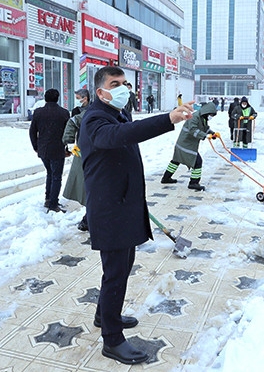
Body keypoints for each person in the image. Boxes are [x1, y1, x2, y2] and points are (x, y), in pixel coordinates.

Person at [79, 66, 194, 365]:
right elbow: (122, 135)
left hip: (123, 204)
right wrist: (169, 119)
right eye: (115, 84)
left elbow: (127, 129)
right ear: (100, 91)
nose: (123, 88)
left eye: (125, 83)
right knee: (116, 272)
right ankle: (112, 340)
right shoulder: (95, 119)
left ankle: (105, 315)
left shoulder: (116, 113)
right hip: (109, 209)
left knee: (120, 267)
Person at [29, 88, 70, 213]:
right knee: (56, 176)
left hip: (43, 149)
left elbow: (32, 131)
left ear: (45, 98)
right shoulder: (63, 113)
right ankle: (53, 204)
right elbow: (68, 133)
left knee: (50, 173)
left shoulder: (38, 112)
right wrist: (67, 148)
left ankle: (48, 198)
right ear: (58, 98)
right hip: (58, 149)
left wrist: (36, 146)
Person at [160, 102, 217, 191]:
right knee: (197, 161)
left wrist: (212, 133)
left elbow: (205, 128)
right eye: (211, 115)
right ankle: (193, 183)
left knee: (176, 160)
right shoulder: (194, 117)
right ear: (207, 112)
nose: (211, 117)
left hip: (185, 143)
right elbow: (192, 130)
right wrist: (205, 136)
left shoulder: (203, 117)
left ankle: (166, 178)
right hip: (186, 144)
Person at [62, 88, 90, 231]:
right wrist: (71, 146)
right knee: (89, 189)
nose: (77, 99)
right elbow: (72, 124)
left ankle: (88, 220)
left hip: (94, 153)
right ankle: (88, 220)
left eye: (79, 97)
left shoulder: (93, 110)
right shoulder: (82, 112)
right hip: (83, 152)